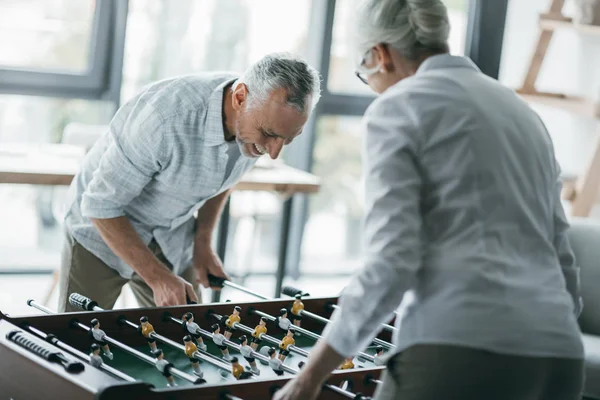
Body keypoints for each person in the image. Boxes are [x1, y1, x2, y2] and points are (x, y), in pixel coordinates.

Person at [273, 1, 584, 399]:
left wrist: (308, 378)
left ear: (380, 55)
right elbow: (561, 252)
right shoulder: (523, 114)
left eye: (363, 74)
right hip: (558, 355)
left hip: (461, 346)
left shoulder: (398, 108)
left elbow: (392, 261)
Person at [57, 53, 321, 312]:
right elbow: (100, 205)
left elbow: (222, 177)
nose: (273, 152)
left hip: (170, 234)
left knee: (185, 342)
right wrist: (158, 278)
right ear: (240, 97)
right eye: (269, 135)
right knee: (79, 341)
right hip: (101, 230)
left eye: (287, 139)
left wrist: (202, 243)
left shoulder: (259, 122)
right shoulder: (164, 119)